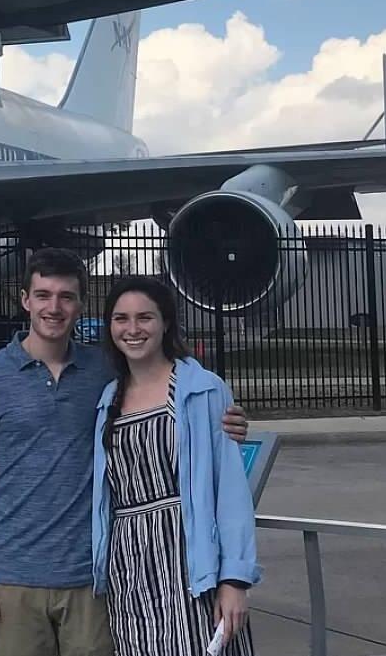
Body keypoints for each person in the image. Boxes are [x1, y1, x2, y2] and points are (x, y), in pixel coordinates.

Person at [0, 249, 248, 656]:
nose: (53, 307)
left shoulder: (107, 373)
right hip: (13, 574)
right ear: (24, 300)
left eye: (66, 296)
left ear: (81, 305)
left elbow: (178, 400)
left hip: (94, 575)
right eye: (42, 295)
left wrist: (228, 421)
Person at [93, 276, 259, 656]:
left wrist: (234, 579)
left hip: (191, 562)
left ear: (165, 322)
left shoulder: (204, 390)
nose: (132, 329)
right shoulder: (108, 398)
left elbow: (230, 489)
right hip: (130, 567)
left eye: (144, 317)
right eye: (121, 319)